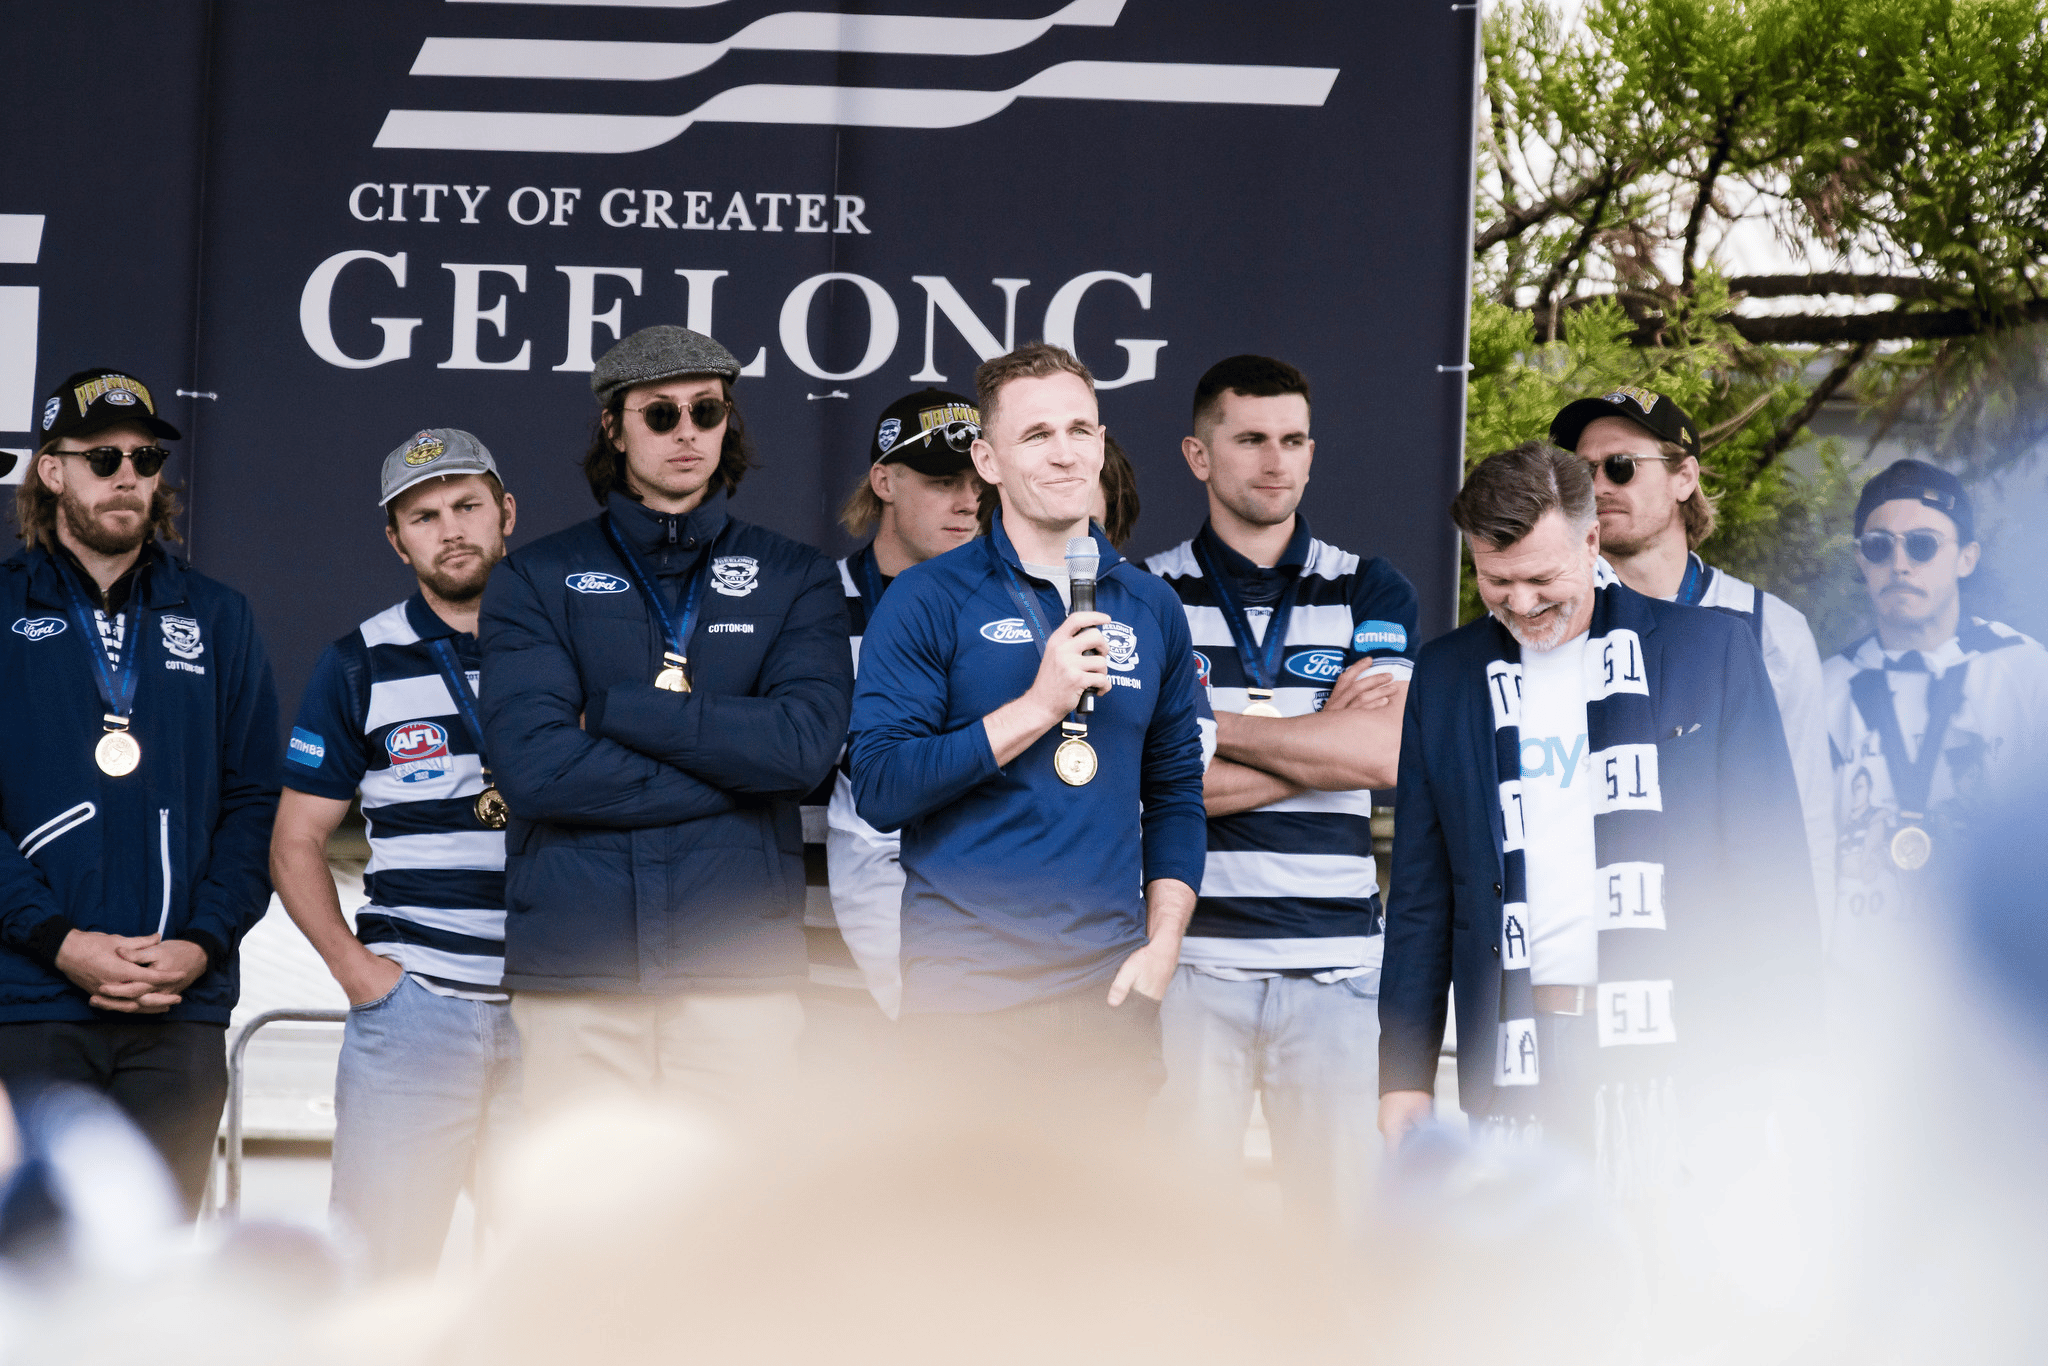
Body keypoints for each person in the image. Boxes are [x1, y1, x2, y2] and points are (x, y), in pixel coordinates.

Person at [1378, 442, 1819, 1169]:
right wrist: (1403, 1075)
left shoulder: (1711, 651)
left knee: (1672, 1279)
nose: (1521, 604)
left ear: (1591, 541)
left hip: (1689, 1053)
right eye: (1496, 581)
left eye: (1541, 577)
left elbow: (1768, 870)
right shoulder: (1448, 675)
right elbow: (1424, 894)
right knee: (1529, 1276)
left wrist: (1782, 1057)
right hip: (1516, 1054)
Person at [478, 326, 852, 1117]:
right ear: (613, 427)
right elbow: (537, 774)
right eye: (659, 414)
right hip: (579, 972)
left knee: (738, 1231)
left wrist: (619, 711)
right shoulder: (533, 577)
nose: (687, 432)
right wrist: (735, 772)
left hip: (738, 971)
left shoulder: (797, 576)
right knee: (576, 1233)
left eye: (707, 411)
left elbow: (801, 754)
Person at [847, 343, 1207, 1125]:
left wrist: (1164, 946)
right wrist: (1040, 706)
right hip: (967, 1002)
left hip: (1108, 999)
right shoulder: (924, 599)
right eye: (1036, 435)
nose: (1064, 452)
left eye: (1080, 430)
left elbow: (1177, 793)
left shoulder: (1151, 606)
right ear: (988, 460)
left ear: (1102, 445)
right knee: (962, 1247)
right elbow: (880, 788)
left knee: (1104, 1247)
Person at [1144, 354, 1417, 1232]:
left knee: (1343, 1247)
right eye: (1251, 438)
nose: (1276, 460)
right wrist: (1313, 743)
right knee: (1171, 1249)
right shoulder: (1142, 593)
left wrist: (1202, 730)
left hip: (1337, 970)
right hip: (1187, 965)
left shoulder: (1371, 585)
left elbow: (1382, 756)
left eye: (1294, 439)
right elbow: (1138, 794)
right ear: (1198, 456)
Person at [0, 367, 279, 1211]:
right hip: (29, 999)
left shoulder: (219, 615)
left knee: (150, 1287)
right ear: (52, 470)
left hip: (178, 1009)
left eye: (146, 459)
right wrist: (55, 939)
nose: (129, 475)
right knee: (25, 1281)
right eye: (104, 457)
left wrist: (200, 943)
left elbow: (255, 803)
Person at [269, 429, 521, 1277]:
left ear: (506, 513)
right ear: (395, 539)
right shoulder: (355, 662)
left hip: (557, 1008)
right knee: (378, 1282)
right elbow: (296, 841)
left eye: (467, 506)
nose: (450, 529)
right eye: (423, 516)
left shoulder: (571, 643)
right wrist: (361, 973)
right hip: (418, 1013)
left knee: (563, 1292)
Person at [1549, 388, 1834, 930]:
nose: (1599, 486)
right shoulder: (1545, 625)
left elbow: (1805, 823)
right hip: (1581, 951)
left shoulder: (1767, 630)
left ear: (1685, 478)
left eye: (1621, 466)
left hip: (1715, 964)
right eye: (1580, 474)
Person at [801, 388, 983, 1021]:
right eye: (941, 481)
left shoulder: (1011, 609)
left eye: (978, 482)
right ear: (884, 480)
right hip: (811, 965)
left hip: (977, 944)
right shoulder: (808, 603)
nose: (967, 502)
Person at [1823, 460, 2048, 969]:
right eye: (1879, 547)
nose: (1900, 563)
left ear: (1967, 557)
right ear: (1861, 561)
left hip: (2001, 984)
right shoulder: (1827, 690)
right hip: (1863, 990)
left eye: (1922, 544)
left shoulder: (2029, 675)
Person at [977, 425, 1141, 549]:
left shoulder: (1145, 593)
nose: (1066, 546)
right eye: (1042, 525)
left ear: (1110, 535)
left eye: (1083, 528)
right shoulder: (957, 591)